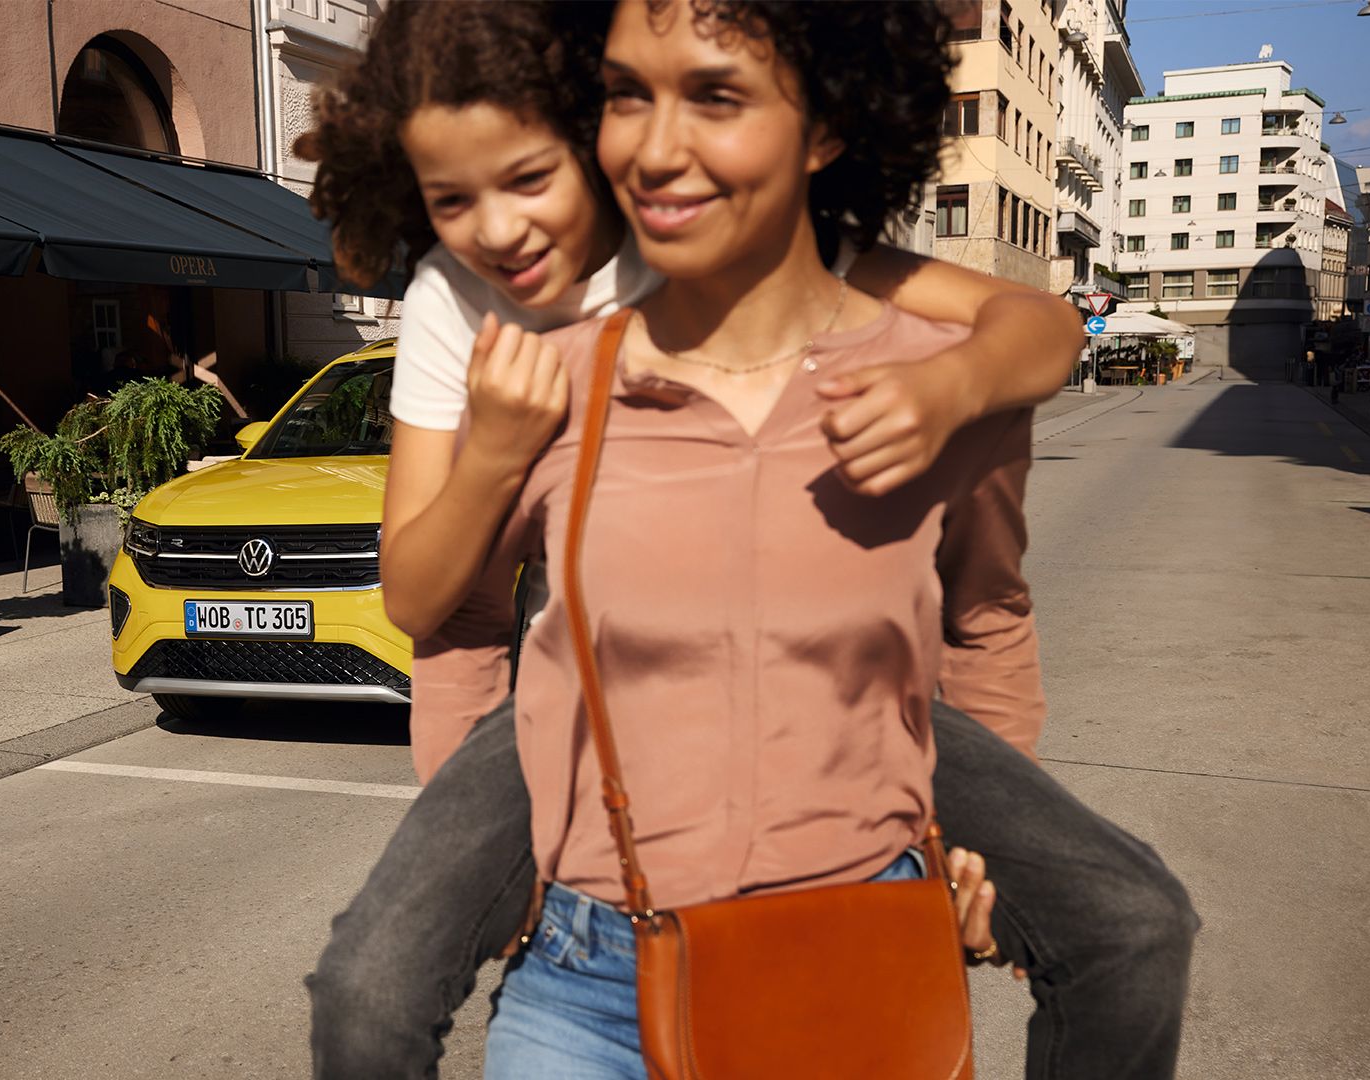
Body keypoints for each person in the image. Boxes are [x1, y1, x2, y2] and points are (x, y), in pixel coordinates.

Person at [299, 3, 1196, 1078]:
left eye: (530, 179)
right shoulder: (468, 317)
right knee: (370, 983)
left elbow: (1034, 325)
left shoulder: (719, 229)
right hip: (594, 669)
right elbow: (435, 606)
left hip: (836, 671)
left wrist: (953, 388)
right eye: (453, 201)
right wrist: (487, 842)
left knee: (1136, 922)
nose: (496, 230)